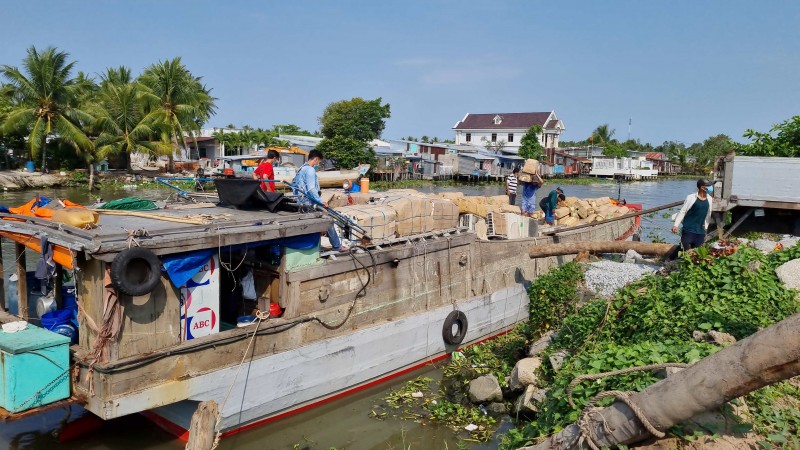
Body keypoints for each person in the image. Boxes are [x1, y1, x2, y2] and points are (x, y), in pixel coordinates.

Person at [293, 150, 348, 252]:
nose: (318, 164)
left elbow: (295, 186)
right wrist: (320, 201)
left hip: (301, 203)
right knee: (329, 221)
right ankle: (336, 245)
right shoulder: (310, 170)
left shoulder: (301, 169)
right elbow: (311, 189)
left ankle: (319, 246)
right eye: (318, 162)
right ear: (316, 159)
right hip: (310, 204)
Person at [672, 179, 713, 251]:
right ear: (702, 187)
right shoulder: (691, 197)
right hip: (688, 228)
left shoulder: (710, 199)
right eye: (708, 186)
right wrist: (676, 225)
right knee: (685, 248)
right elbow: (682, 212)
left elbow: (708, 214)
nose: (711, 187)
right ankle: (671, 257)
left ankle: (671, 257)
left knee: (696, 251)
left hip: (700, 230)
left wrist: (706, 228)